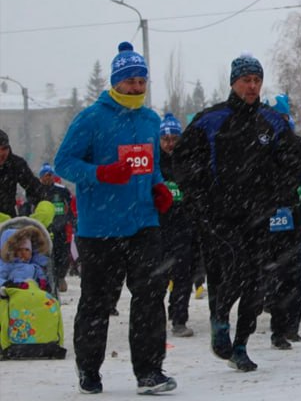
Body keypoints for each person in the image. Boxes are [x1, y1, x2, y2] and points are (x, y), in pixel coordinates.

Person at [173, 53, 301, 372]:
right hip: (221, 216)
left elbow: (294, 157)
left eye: (257, 80)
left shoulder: (272, 121)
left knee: (257, 281)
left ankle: (241, 345)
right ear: (233, 82)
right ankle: (220, 316)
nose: (252, 86)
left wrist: (286, 188)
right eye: (246, 80)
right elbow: (183, 159)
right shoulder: (211, 119)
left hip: (260, 214)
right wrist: (199, 199)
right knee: (234, 271)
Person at [54, 41, 176, 394]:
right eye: (131, 82)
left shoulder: (150, 119)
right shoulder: (92, 118)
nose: (137, 88)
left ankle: (150, 372)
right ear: (115, 82)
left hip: (143, 224)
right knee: (97, 302)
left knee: (150, 297)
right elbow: (64, 163)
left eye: (142, 81)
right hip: (101, 229)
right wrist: (101, 174)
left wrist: (159, 187)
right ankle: (89, 370)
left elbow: (148, 167)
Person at [263, 94, 301, 350]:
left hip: (295, 217)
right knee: (274, 272)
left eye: (280, 117)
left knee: (295, 271)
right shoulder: (257, 146)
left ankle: (290, 326)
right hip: (267, 219)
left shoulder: (298, 145)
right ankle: (277, 325)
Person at [157, 112, 199, 338]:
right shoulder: (155, 165)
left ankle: (179, 318)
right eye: (166, 139)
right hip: (159, 229)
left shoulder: (187, 161)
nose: (170, 143)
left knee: (184, 275)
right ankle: (156, 317)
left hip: (184, 228)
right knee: (159, 277)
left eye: (174, 138)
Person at [26, 163, 73, 292]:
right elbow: (28, 206)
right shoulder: (35, 189)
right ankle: (44, 280)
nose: (48, 178)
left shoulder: (61, 190)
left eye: (50, 175)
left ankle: (60, 277)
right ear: (41, 177)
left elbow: (69, 207)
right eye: (46, 175)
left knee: (62, 255)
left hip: (60, 228)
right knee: (44, 255)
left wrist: (69, 221)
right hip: (42, 229)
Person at [0, 129, 43, 220]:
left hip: (8, 220)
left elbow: (35, 188)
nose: (1, 154)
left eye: (4, 149)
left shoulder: (16, 164)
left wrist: (44, 207)